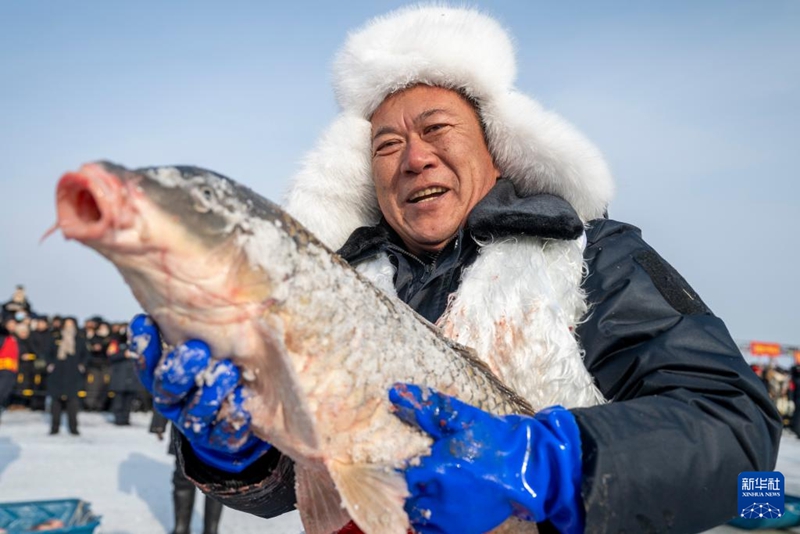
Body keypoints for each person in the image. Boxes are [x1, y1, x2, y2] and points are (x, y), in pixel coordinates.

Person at [128, 6, 781, 533]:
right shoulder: (337, 287)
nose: (415, 158)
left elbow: (736, 432)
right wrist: (238, 451)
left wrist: (552, 463)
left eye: (437, 129)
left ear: (496, 148)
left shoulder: (596, 257)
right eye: (388, 144)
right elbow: (294, 487)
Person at [150, 410, 224, 534]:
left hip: (215, 428)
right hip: (190, 427)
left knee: (216, 481)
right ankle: (182, 528)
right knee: (185, 478)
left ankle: (210, 529)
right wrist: (159, 422)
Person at [46, 316, 88, 435]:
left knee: (73, 403)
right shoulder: (55, 338)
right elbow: (47, 353)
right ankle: (54, 428)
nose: (69, 327)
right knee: (55, 403)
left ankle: (73, 428)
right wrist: (50, 364)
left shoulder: (79, 339)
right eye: (67, 324)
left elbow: (85, 354)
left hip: (73, 375)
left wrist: (82, 365)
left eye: (71, 324)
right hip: (57, 374)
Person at [0, 322, 20, 425]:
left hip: (11, 370)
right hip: (3, 369)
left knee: (5, 393)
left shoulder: (14, 337)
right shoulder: (3, 336)